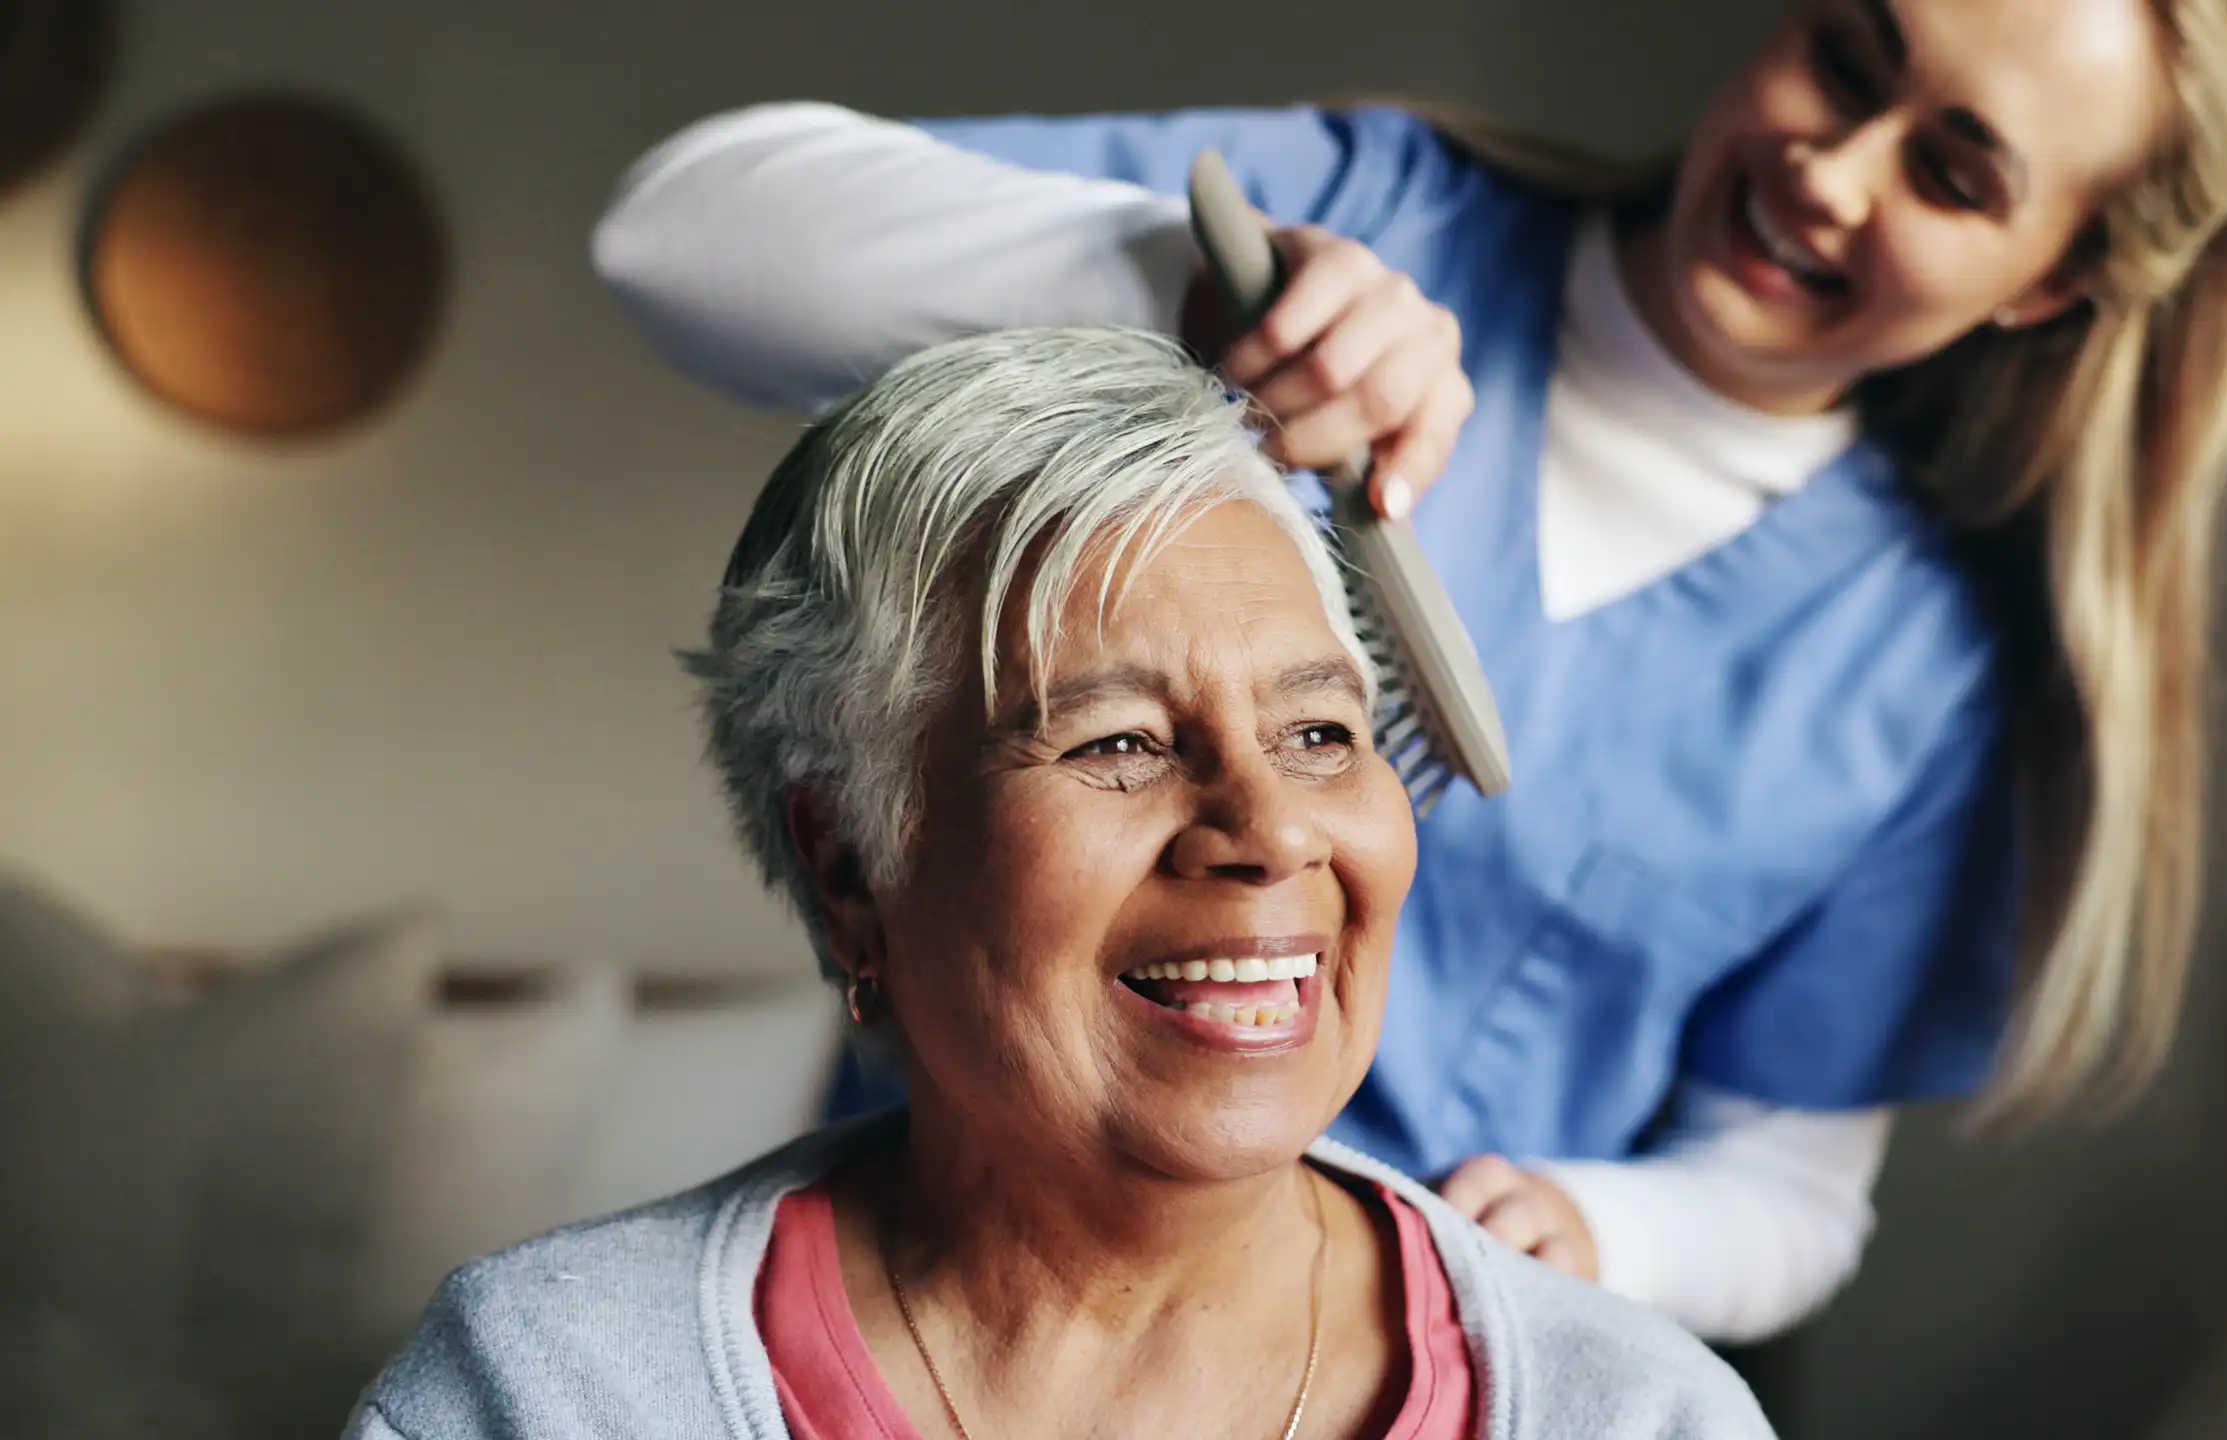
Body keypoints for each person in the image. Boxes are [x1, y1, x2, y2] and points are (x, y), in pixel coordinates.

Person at [586, 0, 2227, 1342]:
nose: (1832, 169)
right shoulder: (1356, 221)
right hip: (948, 1292)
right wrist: (1170, 290)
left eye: (1955, 172)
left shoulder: (1916, 677)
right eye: (1847, 56)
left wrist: (1598, 1232)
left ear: (2052, 280)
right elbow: (673, 240)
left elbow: (1787, 1188)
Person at [343, 328, 1774, 1440]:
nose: (1269, 832)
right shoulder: (551, 1389)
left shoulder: (1640, 1415)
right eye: (1121, 743)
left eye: (1320, 733)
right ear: (854, 874)